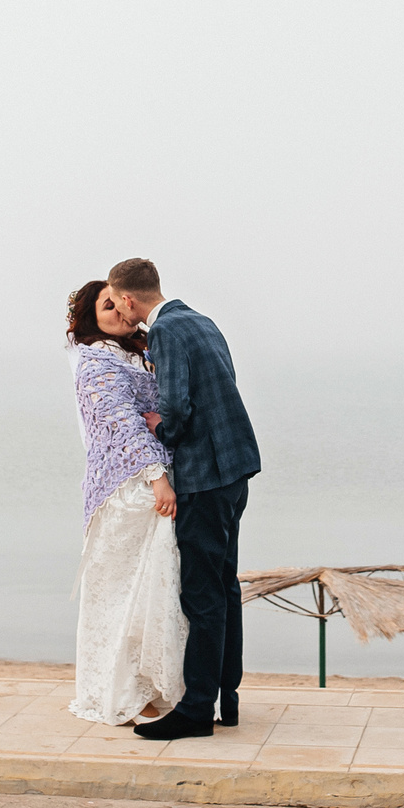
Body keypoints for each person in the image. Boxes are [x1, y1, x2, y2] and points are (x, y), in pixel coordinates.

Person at [106, 257, 260, 740]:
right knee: (225, 586)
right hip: (234, 468)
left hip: (205, 476)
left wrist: (160, 428)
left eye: (116, 303)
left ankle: (196, 711)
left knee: (201, 594)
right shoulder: (201, 320)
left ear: (128, 299)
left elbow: (176, 405)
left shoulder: (166, 331)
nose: (118, 312)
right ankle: (227, 699)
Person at [63, 279, 185, 725]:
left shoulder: (141, 352)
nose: (116, 310)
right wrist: (157, 478)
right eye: (105, 306)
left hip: (153, 482)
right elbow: (120, 422)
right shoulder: (96, 360)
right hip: (126, 490)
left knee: (155, 588)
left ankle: (155, 686)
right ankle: (124, 693)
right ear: (90, 318)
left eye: (118, 302)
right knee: (122, 593)